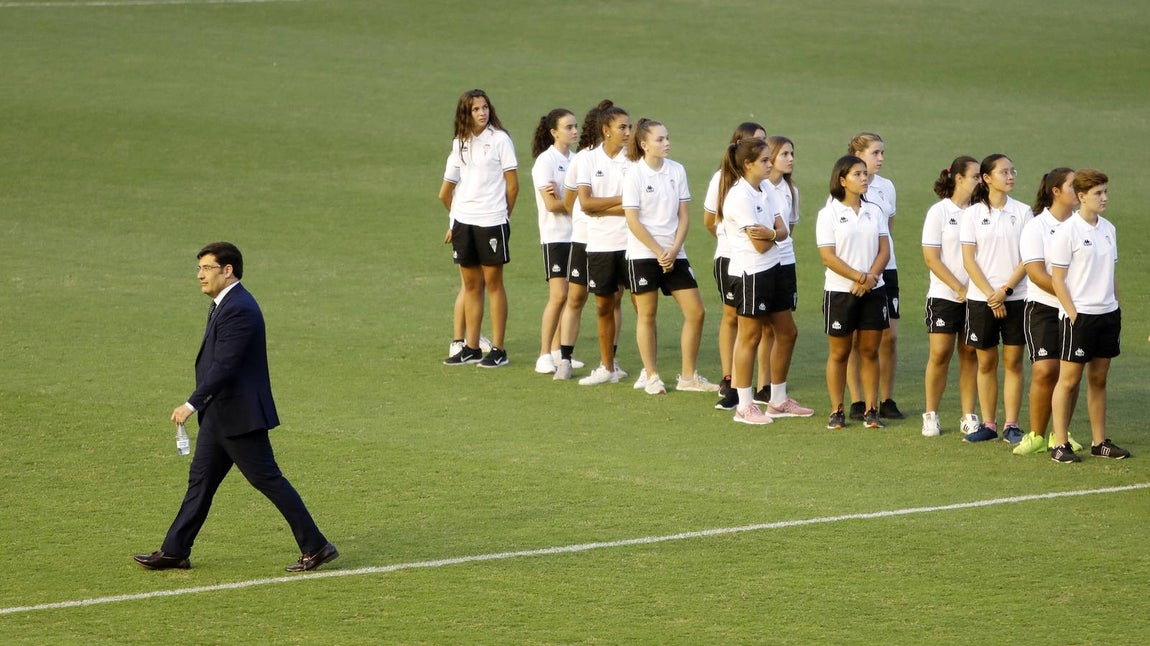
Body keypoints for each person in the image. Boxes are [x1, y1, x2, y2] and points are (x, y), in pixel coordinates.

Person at [134, 242, 337, 573]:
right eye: (198, 269)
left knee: (268, 480)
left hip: (239, 417)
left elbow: (225, 366)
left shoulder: (239, 308)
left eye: (207, 268)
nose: (200, 275)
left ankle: (316, 546)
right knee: (200, 483)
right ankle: (174, 550)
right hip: (220, 417)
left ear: (228, 271)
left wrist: (191, 403)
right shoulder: (223, 305)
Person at [622, 118, 716, 395]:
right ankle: (652, 376)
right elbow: (633, 220)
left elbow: (684, 216)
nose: (666, 143)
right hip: (643, 254)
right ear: (644, 144)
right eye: (660, 139)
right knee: (647, 315)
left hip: (675, 253)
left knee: (696, 312)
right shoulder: (634, 175)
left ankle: (688, 377)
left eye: (667, 137)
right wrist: (657, 251)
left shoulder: (677, 171)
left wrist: (674, 250)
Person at [1048, 169, 1131, 463]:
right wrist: (1073, 315)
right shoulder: (1066, 232)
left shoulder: (1109, 229)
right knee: (1068, 380)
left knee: (1099, 379)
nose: (1104, 198)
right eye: (1098, 193)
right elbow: (1057, 279)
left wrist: (1116, 306)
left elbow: (1111, 274)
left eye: (1106, 191)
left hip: (1107, 316)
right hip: (1080, 317)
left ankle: (1099, 442)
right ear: (1081, 197)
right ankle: (1060, 443)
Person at [439, 89, 518, 368]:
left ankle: (498, 349)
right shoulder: (459, 142)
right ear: (466, 113)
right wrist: (455, 221)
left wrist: (503, 217)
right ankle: (471, 347)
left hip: (492, 222)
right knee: (471, 286)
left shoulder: (500, 140)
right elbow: (447, 190)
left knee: (493, 285)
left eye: (485, 107)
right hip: (464, 222)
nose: (482, 112)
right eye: (476, 109)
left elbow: (512, 185)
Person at [715, 137, 790, 423]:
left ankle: (779, 400)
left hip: (774, 268)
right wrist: (774, 235)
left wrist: (770, 233)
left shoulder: (767, 188)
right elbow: (760, 244)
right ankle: (744, 405)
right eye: (765, 161)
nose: (771, 165)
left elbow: (782, 230)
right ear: (748, 164)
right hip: (751, 273)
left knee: (787, 332)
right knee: (750, 337)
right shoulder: (738, 197)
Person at [960, 153, 1031, 444]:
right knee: (986, 362)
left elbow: (1028, 259)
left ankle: (1011, 425)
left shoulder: (1024, 212)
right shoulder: (972, 215)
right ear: (987, 179)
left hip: (1015, 298)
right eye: (1004, 172)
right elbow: (968, 260)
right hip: (982, 300)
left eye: (1012, 170)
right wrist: (991, 295)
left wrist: (1005, 291)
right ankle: (989, 423)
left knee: (1013, 361)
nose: (1011, 175)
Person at [817, 155, 890, 430]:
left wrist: (871, 279)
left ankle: (872, 410)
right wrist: (860, 277)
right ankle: (837, 410)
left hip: (873, 290)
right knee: (840, 352)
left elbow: (885, 249)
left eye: (864, 174)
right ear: (842, 179)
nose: (864, 178)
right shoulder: (829, 214)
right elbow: (828, 256)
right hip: (840, 291)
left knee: (870, 351)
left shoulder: (875, 211)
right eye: (858, 174)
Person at [1014, 168, 1084, 455]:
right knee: (1045, 370)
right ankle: (1036, 435)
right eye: (1073, 185)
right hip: (1043, 307)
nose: (1079, 191)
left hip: (1077, 309)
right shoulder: (1036, 226)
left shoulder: (1083, 225)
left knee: (1071, 372)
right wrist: (1070, 296)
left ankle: (1060, 434)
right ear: (1056, 191)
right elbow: (1036, 272)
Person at [703, 122, 765, 410]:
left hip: (758, 258)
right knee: (733, 317)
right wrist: (736, 238)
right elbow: (709, 220)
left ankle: (757, 383)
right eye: (755, 143)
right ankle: (731, 380)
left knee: (755, 322)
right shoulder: (723, 179)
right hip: (731, 256)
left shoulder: (767, 184)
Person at [920, 157, 980, 437]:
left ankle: (968, 415)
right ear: (958, 178)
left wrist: (975, 290)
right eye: (975, 176)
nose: (980, 181)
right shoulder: (939, 212)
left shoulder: (980, 212)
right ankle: (931, 414)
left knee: (969, 353)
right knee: (940, 354)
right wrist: (959, 287)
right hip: (945, 295)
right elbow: (931, 258)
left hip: (976, 297)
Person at [845, 132, 904, 420]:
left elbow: (887, 231)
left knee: (889, 336)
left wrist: (877, 268)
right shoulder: (845, 187)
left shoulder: (886, 187)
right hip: (854, 272)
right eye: (875, 153)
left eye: (882, 153)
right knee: (856, 338)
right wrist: (862, 272)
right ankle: (857, 400)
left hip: (885, 270)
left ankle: (887, 399)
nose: (880, 158)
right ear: (859, 154)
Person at [576, 101, 633, 386]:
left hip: (631, 243)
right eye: (622, 127)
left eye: (629, 127)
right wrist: (621, 202)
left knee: (640, 304)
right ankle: (606, 367)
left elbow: (636, 207)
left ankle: (649, 371)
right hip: (600, 243)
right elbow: (585, 203)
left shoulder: (633, 160)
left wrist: (603, 206)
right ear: (605, 130)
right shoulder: (588, 159)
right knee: (603, 306)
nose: (627, 132)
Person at [757, 135, 813, 417]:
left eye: (793, 154)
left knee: (781, 329)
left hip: (785, 262)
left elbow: (790, 227)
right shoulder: (760, 189)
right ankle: (756, 392)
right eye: (785, 154)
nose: (790, 159)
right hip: (762, 263)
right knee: (762, 329)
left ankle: (773, 394)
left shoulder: (791, 190)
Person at [553, 104, 605, 380]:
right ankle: (564, 359)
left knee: (610, 301)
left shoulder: (625, 160)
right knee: (576, 297)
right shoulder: (583, 159)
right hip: (584, 238)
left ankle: (609, 362)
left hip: (611, 242)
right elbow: (572, 202)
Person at [530, 108, 579, 374]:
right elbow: (551, 205)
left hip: (576, 235)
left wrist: (569, 201)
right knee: (558, 295)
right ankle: (544, 354)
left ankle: (560, 352)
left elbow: (571, 201)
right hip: (555, 236)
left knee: (571, 295)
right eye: (569, 127)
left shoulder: (576, 160)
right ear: (554, 132)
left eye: (575, 126)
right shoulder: (545, 162)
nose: (574, 131)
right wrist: (574, 203)